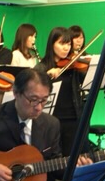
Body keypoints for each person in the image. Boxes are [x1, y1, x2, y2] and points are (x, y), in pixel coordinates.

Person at [36, 27, 86, 156]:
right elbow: (32, 87)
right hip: (50, 119)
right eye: (62, 44)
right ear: (52, 44)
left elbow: (87, 80)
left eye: (68, 44)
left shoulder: (73, 65)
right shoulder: (41, 67)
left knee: (71, 157)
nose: (66, 48)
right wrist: (46, 75)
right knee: (51, 157)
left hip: (72, 117)